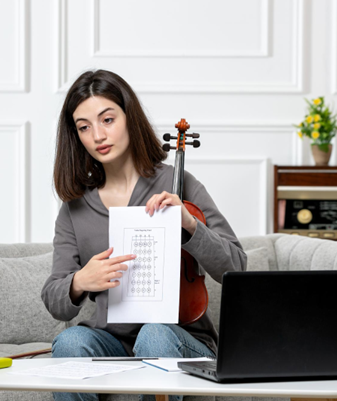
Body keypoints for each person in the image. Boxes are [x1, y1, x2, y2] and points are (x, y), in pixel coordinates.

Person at [41, 69, 247, 401]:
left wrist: (191, 225)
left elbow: (236, 266)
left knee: (154, 335)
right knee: (70, 341)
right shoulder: (74, 209)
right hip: (112, 342)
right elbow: (55, 300)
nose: (97, 135)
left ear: (129, 117)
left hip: (179, 339)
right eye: (84, 127)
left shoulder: (181, 185)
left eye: (107, 119)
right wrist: (80, 280)